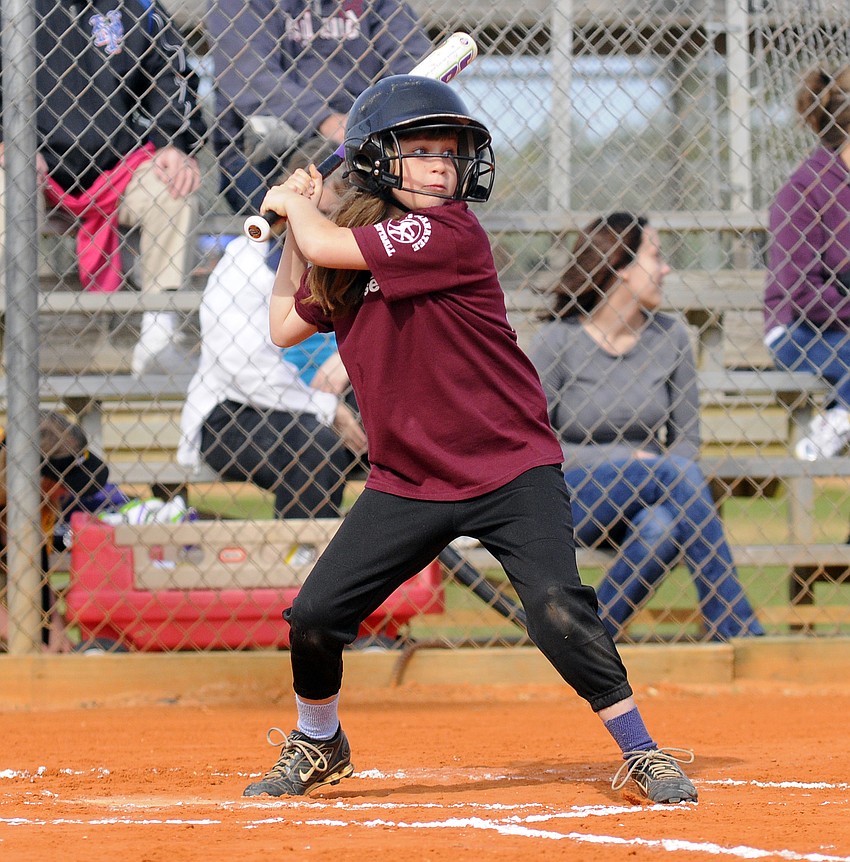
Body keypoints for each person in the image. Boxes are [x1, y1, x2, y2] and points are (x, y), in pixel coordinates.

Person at [240, 76, 698, 805]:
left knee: (555, 608)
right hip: (407, 480)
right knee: (317, 617)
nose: (441, 168)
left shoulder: (448, 231)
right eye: (420, 153)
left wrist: (299, 204)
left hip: (508, 467)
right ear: (378, 162)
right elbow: (285, 325)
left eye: (448, 154)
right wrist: (299, 230)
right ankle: (319, 740)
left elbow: (326, 236)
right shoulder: (354, 252)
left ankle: (642, 750)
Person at [529, 213, 765, 644]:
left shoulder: (670, 337)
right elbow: (534, 443)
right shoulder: (557, 341)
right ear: (620, 266)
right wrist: (622, 460)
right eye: (655, 256)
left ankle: (586, 642)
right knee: (671, 473)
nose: (666, 269)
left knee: (662, 529)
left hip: (652, 492)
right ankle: (735, 625)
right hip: (572, 495)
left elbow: (687, 439)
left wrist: (653, 469)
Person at [0, 0, 207, 377]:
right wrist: (8, 140)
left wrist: (173, 141)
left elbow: (172, 75)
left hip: (116, 166)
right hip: (29, 164)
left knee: (175, 187)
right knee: (5, 187)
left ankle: (159, 336)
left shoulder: (137, 5)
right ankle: (6, 327)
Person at [177, 190, 366, 519]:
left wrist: (353, 357)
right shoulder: (244, 264)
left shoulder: (356, 252)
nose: (321, 225)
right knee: (314, 447)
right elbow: (246, 372)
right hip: (238, 411)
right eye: (312, 213)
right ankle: (305, 558)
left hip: (336, 401)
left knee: (405, 420)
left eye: (334, 215)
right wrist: (326, 407)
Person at [205, 0, 431, 214]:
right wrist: (326, 120)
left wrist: (373, 121)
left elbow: (414, 66)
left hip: (362, 136)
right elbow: (249, 75)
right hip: (271, 147)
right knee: (318, 187)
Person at [764, 66, 850, 461]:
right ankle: (839, 418)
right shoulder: (803, 189)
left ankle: (840, 412)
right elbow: (800, 293)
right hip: (798, 330)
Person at [0, 411, 112, 653]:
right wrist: (30, 646)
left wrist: (56, 628)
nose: (67, 493)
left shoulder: (34, 506)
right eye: (63, 482)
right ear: (33, 478)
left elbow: (36, 574)